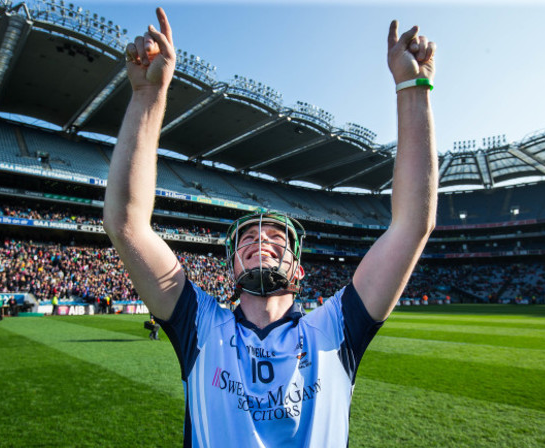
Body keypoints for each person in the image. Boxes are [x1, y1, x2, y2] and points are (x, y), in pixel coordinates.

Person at [104, 7, 437, 447]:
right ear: (230, 270)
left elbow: (412, 223)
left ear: (299, 271)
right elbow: (125, 222)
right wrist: (149, 95)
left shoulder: (336, 328)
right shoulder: (200, 327)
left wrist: (413, 88)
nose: (260, 239)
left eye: (276, 238)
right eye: (248, 239)